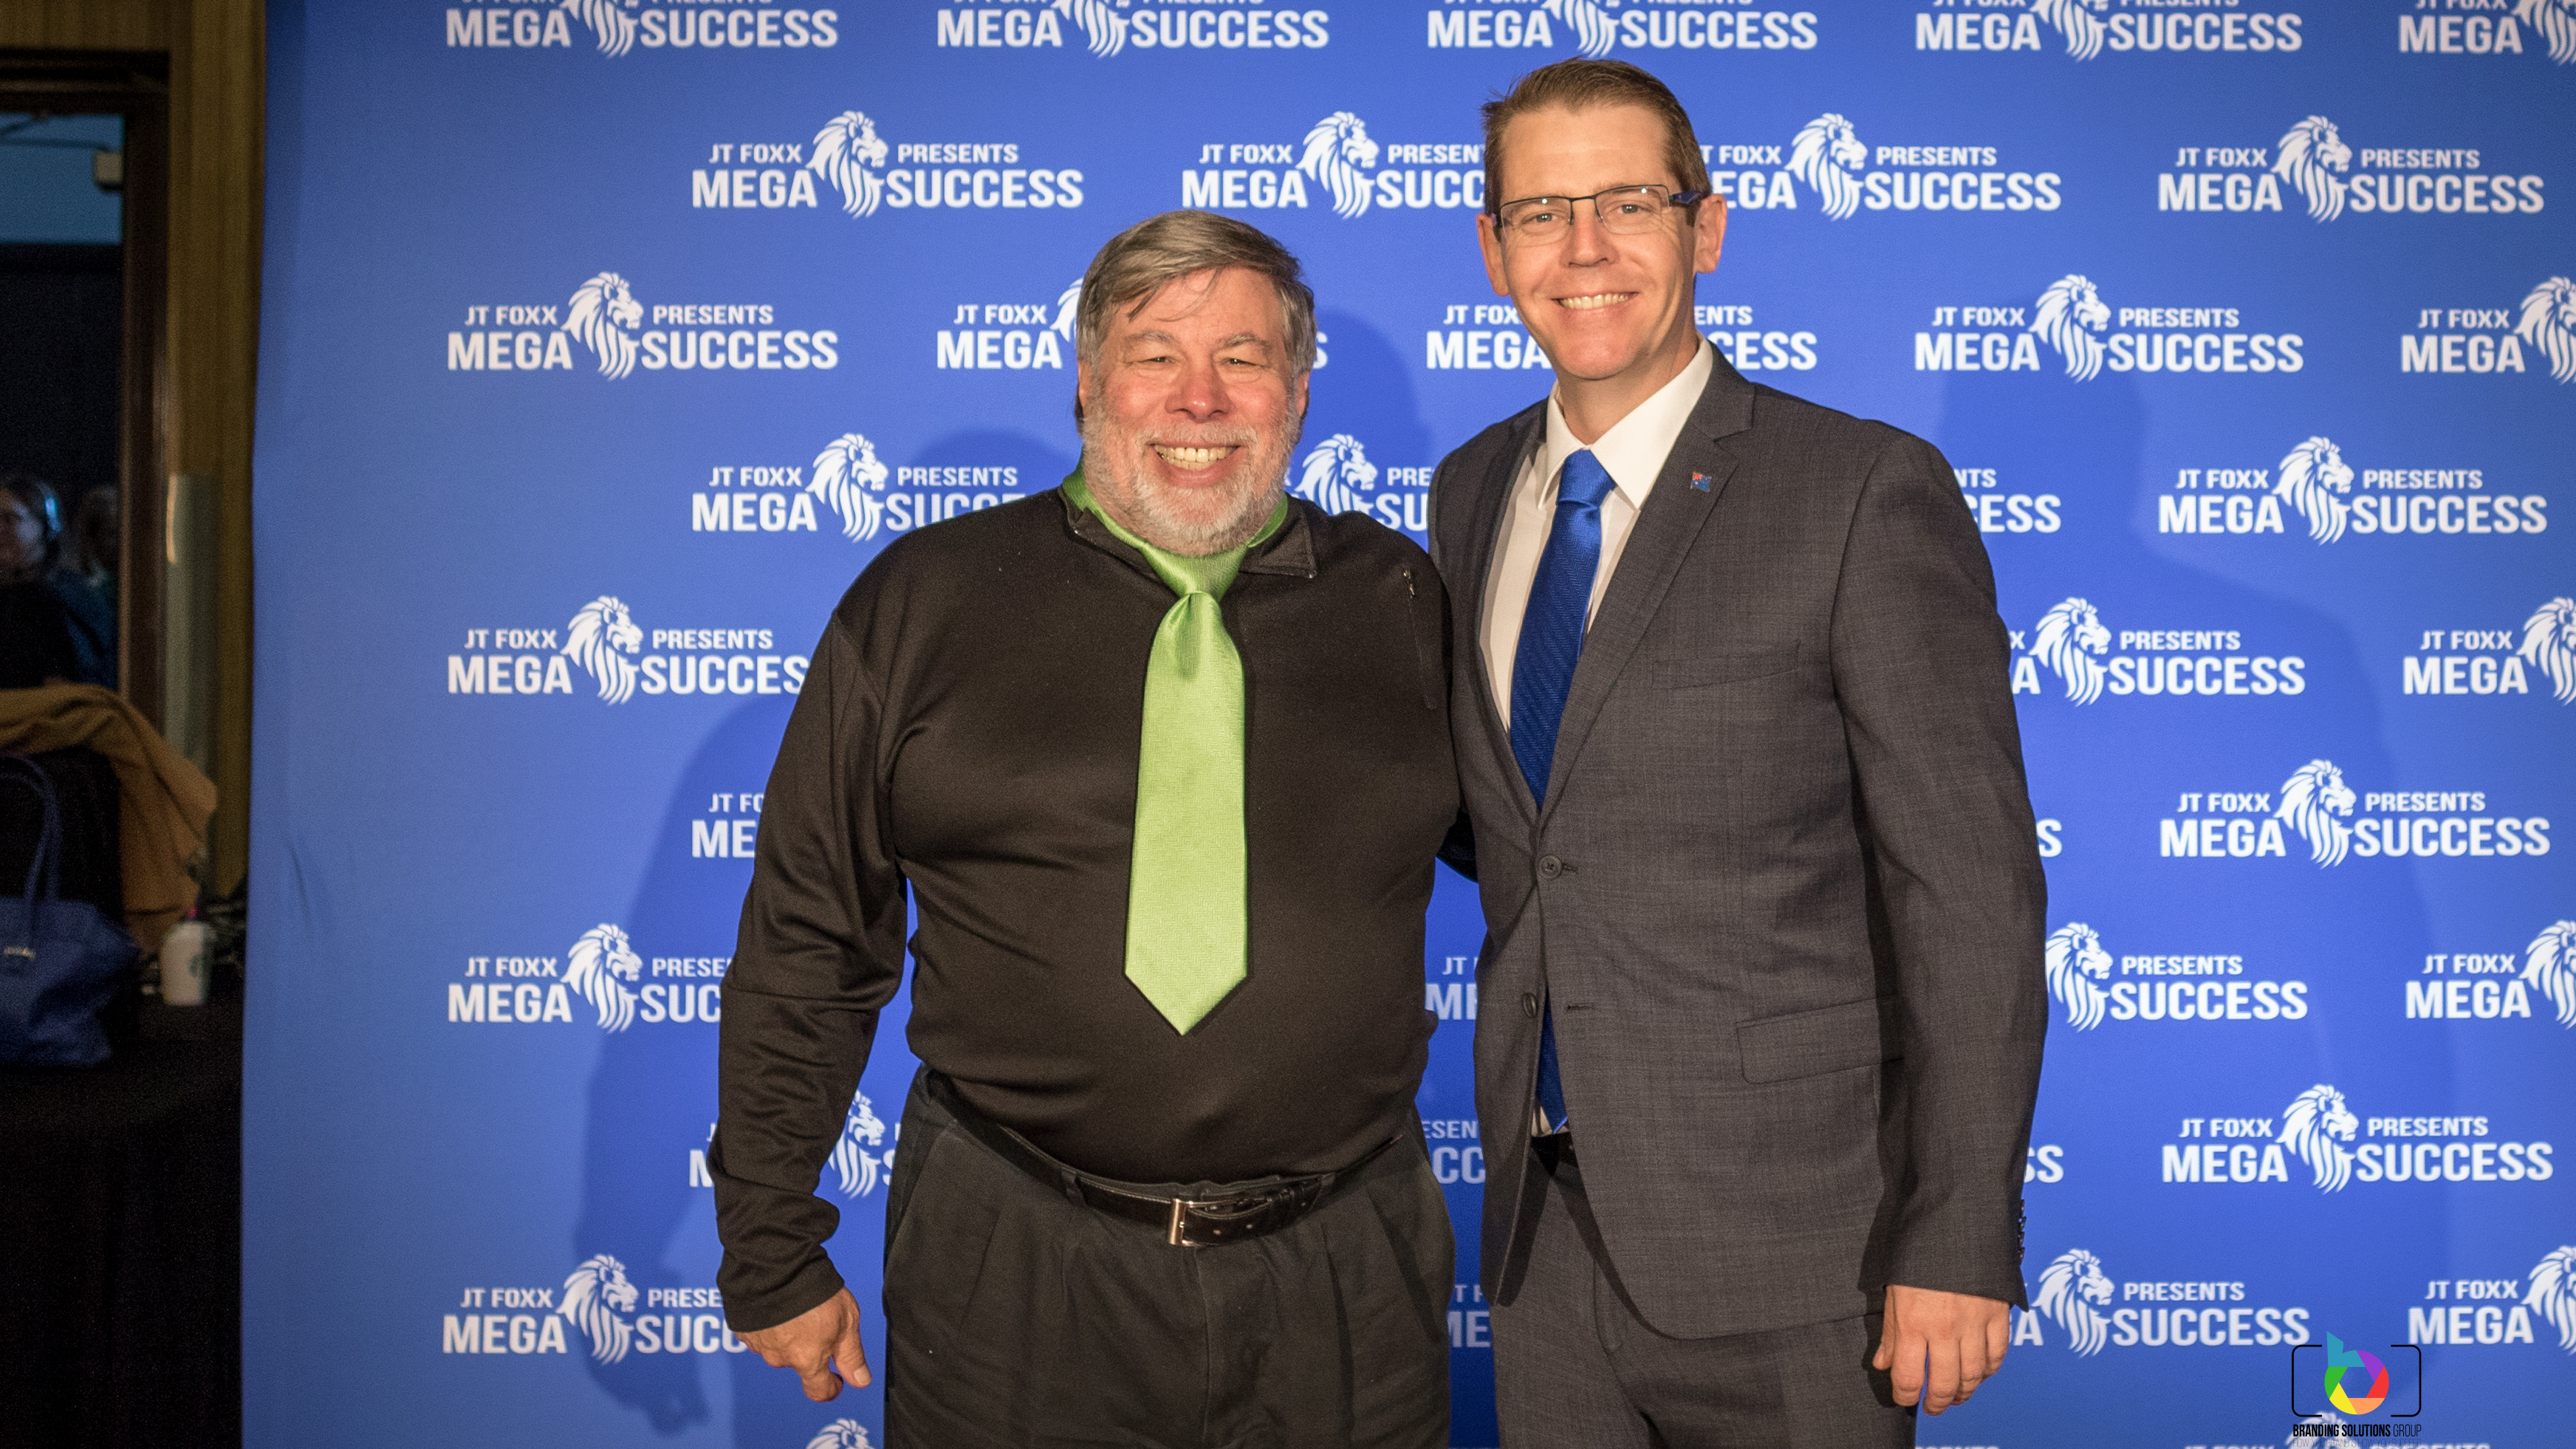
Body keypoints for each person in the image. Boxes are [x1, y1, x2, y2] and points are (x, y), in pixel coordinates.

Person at [710, 210, 1459, 1449]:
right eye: (1155, 354)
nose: (1200, 398)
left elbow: (1560, 861)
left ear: (1297, 392)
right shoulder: (923, 601)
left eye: (1243, 358)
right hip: (1011, 1261)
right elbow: (809, 938)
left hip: (1346, 1274)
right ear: (1086, 380)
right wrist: (768, 1241)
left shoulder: (1404, 600)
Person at [1428, 60, 2048, 1445]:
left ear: (1705, 228)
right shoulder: (1468, 490)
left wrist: (1957, 1230)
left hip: (1805, 1251)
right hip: (1543, 1241)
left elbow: (1967, 890)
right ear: (1492, 250)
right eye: (1540, 212)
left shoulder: (1858, 490)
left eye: (1627, 203)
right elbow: (1525, 824)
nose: (1583, 248)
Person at [0, 473, 115, 690]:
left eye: (9, 518)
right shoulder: (11, 595)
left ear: (46, 525)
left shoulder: (66, 596)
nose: (0, 528)